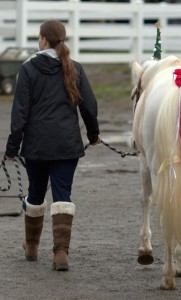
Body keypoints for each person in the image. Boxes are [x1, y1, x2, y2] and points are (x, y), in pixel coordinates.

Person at [5, 19, 101, 271]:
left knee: (35, 194)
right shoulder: (75, 68)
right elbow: (89, 108)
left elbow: (20, 114)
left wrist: (12, 149)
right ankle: (60, 253)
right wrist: (93, 135)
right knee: (62, 195)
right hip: (67, 145)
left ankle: (32, 248)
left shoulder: (28, 70)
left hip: (36, 146)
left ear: (44, 40)